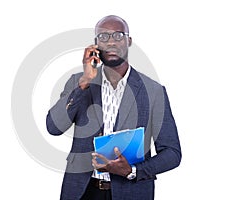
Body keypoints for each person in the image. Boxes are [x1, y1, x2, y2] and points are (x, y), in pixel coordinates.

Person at [46, 15, 181, 200]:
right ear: (95, 45)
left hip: (131, 192)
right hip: (82, 192)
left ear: (129, 41)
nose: (111, 42)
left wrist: (132, 170)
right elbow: (54, 127)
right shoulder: (79, 83)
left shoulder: (153, 91)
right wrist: (84, 82)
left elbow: (172, 153)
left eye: (118, 36)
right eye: (103, 37)